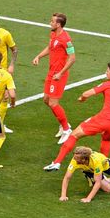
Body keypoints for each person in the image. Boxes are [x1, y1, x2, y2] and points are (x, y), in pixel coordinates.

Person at [44, 62, 110, 171]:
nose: (106, 72)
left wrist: (82, 98)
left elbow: (86, 93)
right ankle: (101, 173)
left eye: (107, 71)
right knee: (106, 140)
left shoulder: (107, 84)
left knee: (74, 135)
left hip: (103, 120)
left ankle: (56, 163)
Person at [32, 13, 76, 144]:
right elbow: (50, 47)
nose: (50, 23)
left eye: (52, 21)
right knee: (46, 99)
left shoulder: (66, 39)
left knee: (53, 103)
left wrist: (61, 73)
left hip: (59, 75)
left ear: (58, 24)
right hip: (51, 72)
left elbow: (72, 58)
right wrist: (39, 56)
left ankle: (67, 129)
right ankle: (63, 124)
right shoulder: (53, 34)